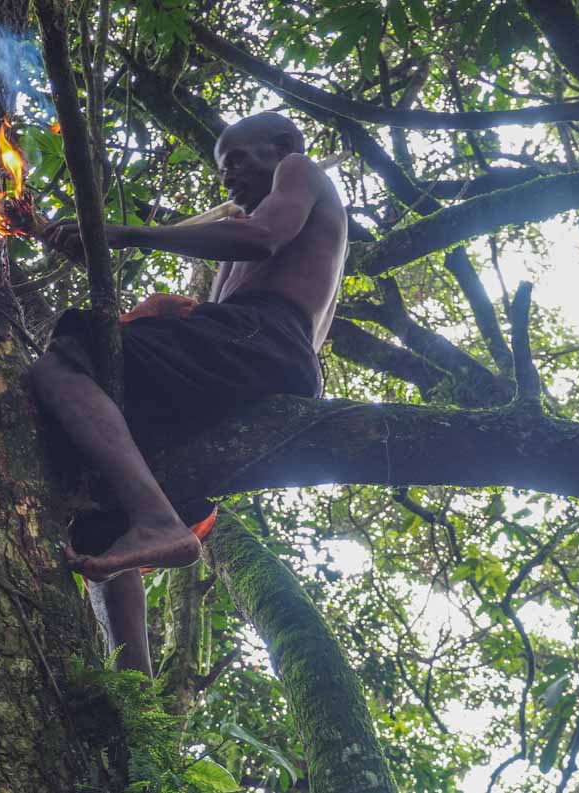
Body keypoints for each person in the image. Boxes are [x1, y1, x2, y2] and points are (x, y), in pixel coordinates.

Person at [31, 112, 348, 674]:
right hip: (250, 360)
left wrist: (122, 234)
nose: (228, 178)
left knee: (67, 357)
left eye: (238, 161)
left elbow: (261, 240)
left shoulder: (299, 173)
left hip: (267, 340)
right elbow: (220, 306)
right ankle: (137, 698)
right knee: (100, 509)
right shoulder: (243, 226)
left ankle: (158, 520)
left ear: (282, 148)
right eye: (221, 170)